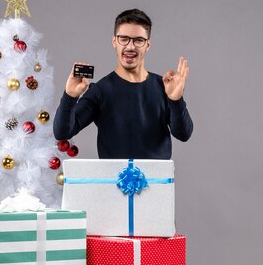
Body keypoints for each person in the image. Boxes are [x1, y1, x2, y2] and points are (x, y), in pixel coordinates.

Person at [53, 9, 193, 159]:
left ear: (148, 45)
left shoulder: (163, 87)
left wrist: (175, 100)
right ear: (114, 41)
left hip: (156, 181)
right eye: (124, 39)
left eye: (138, 40)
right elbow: (62, 132)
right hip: (114, 181)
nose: (130, 47)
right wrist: (69, 96)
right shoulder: (100, 91)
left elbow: (183, 134)